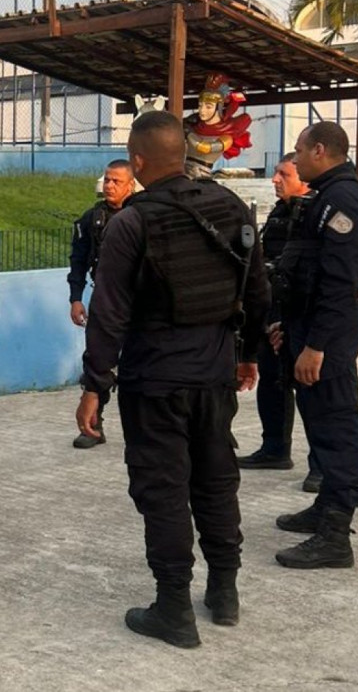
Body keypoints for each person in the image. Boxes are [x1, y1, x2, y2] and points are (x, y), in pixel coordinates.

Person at [76, 110, 269, 648]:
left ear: (137, 162)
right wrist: (248, 355)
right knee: (216, 480)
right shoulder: (231, 206)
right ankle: (224, 593)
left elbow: (109, 314)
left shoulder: (130, 223)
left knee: (163, 491)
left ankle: (173, 608)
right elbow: (257, 289)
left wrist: (95, 387)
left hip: (155, 381)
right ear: (182, 155)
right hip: (215, 375)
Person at [270, 121, 358, 570]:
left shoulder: (343, 198)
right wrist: (289, 323)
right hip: (310, 324)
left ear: (319, 150)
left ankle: (335, 533)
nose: (294, 161)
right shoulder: (325, 195)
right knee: (317, 419)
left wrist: (316, 345)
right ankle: (324, 508)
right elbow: (307, 271)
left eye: (298, 151)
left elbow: (338, 281)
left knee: (336, 425)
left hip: (328, 332)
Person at [236, 153, 322, 491]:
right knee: (272, 382)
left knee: (312, 395)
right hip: (272, 311)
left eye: (283, 174)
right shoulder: (280, 212)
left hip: (299, 315)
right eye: (275, 173)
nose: (275, 180)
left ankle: (321, 465)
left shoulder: (314, 214)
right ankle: (274, 449)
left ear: (303, 179)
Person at [68, 159, 136, 448]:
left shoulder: (141, 215)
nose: (109, 186)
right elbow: (78, 260)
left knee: (140, 363)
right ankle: (93, 426)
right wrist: (76, 298)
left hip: (139, 300)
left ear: (131, 185)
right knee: (97, 359)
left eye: (116, 181)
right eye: (107, 180)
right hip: (105, 298)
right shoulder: (92, 218)